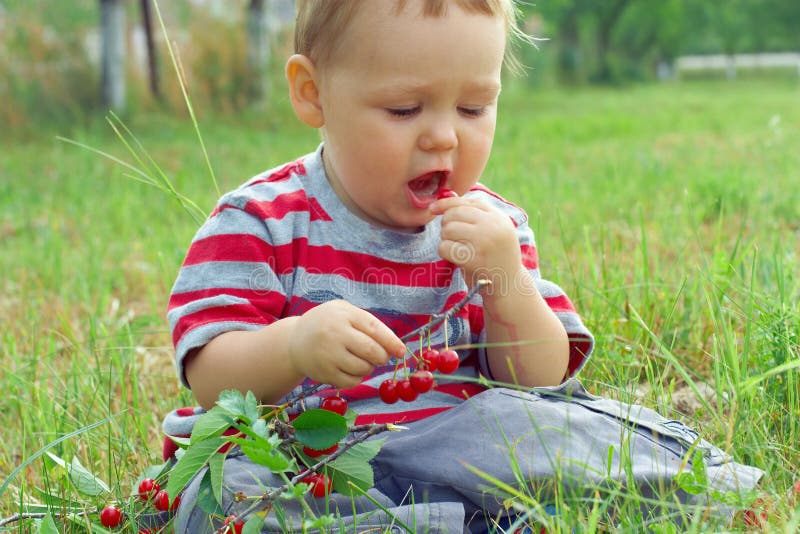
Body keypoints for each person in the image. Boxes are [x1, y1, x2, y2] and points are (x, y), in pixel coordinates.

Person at [161, 1, 763, 532]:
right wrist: (292, 348)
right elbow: (208, 377)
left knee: (551, 433)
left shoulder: (491, 229)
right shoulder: (262, 220)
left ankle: (674, 486)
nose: (444, 137)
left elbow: (539, 382)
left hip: (461, 448)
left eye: (474, 107)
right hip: (308, 459)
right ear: (313, 93)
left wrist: (506, 284)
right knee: (224, 495)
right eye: (403, 109)